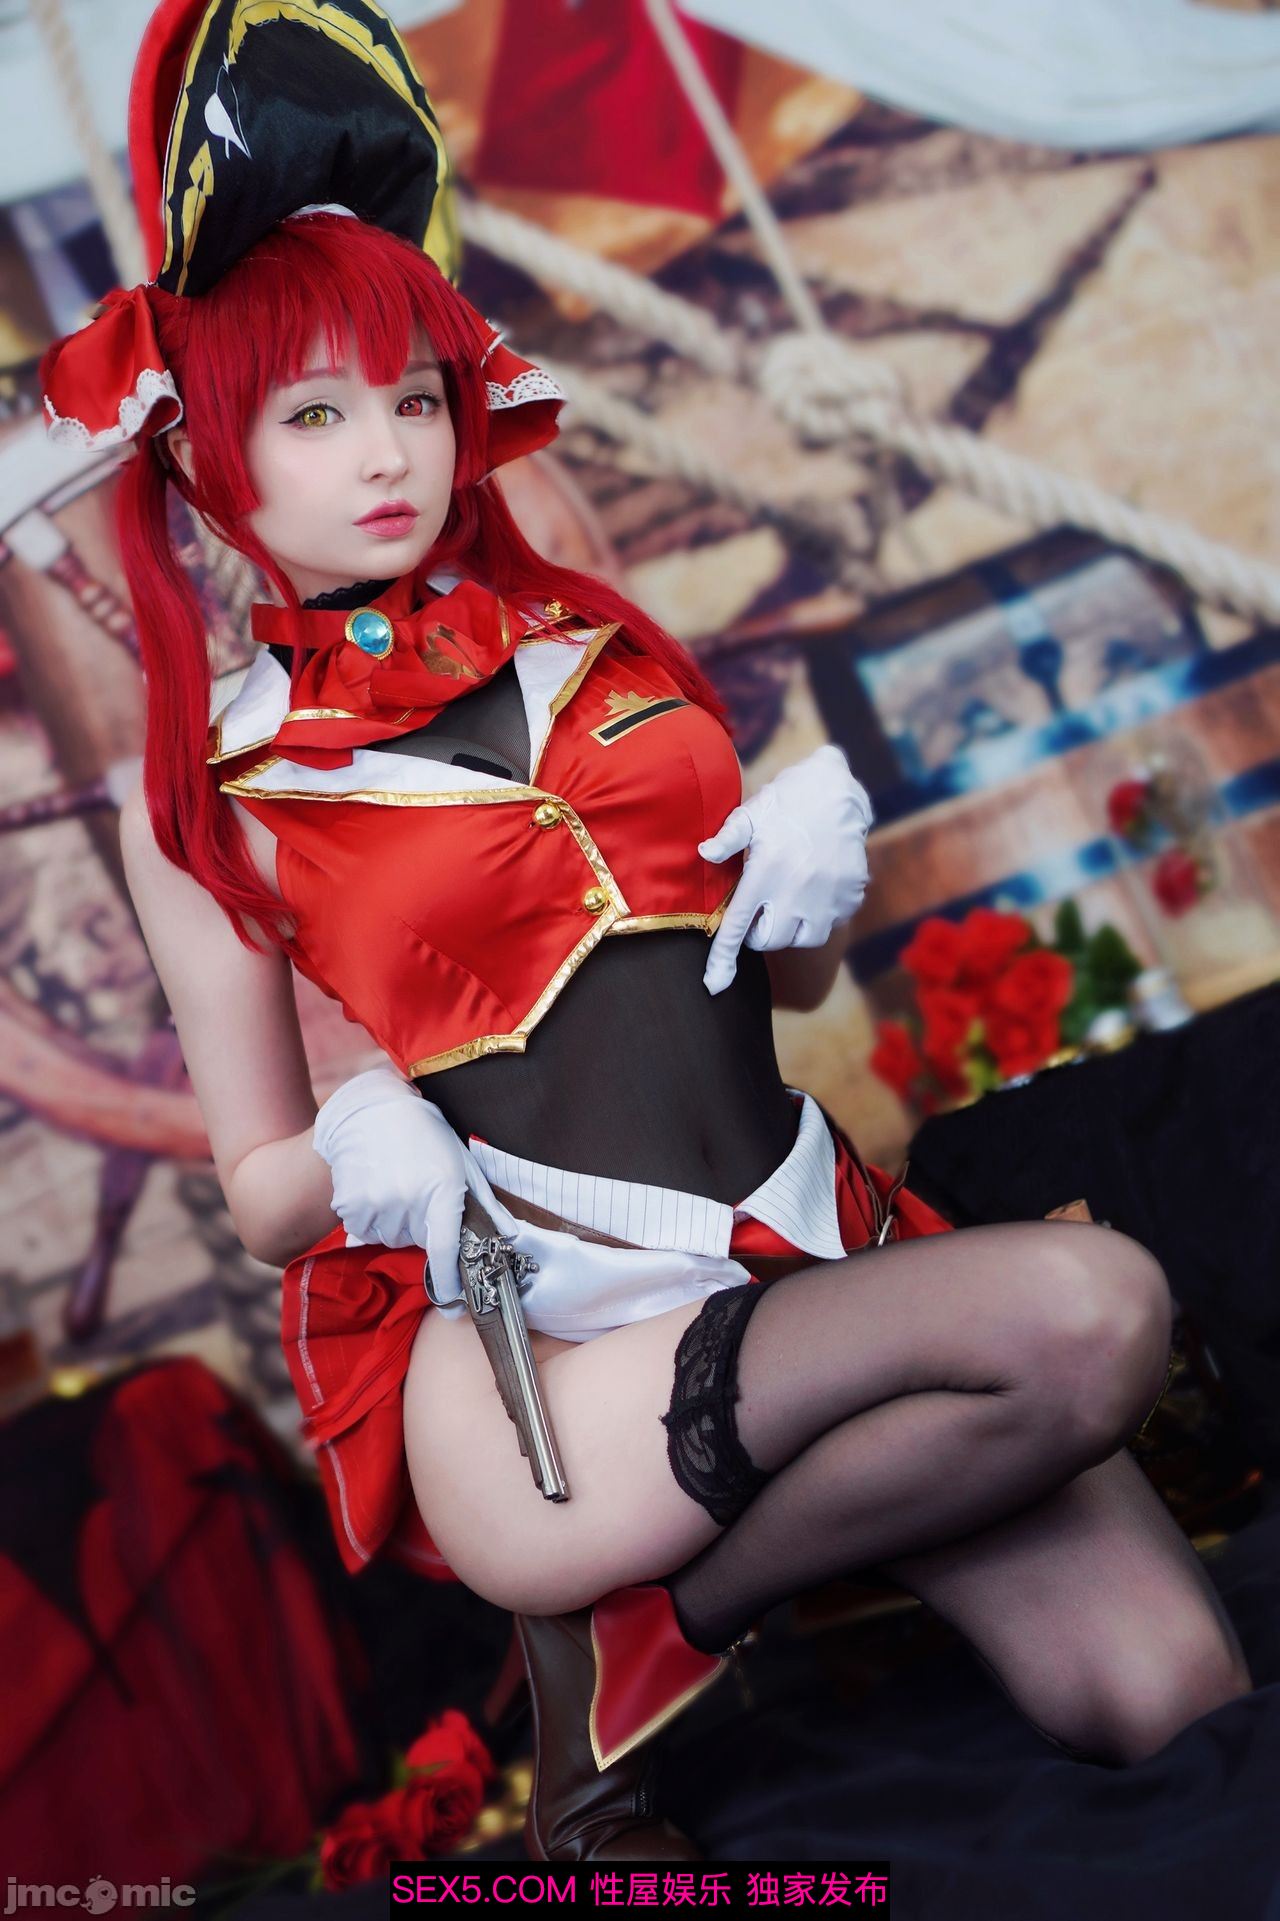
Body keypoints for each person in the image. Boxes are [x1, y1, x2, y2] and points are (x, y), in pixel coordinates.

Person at [42, 0, 1252, 1866]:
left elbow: (778, 982)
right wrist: (366, 1143)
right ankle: (652, 1605)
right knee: (1097, 1312)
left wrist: (813, 878)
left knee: (1185, 1703)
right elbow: (267, 1185)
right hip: (574, 1361)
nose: (387, 453)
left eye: (413, 397)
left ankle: (666, 1625)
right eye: (315, 414)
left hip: (820, 1241)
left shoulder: (593, 642)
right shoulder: (212, 782)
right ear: (216, 449)